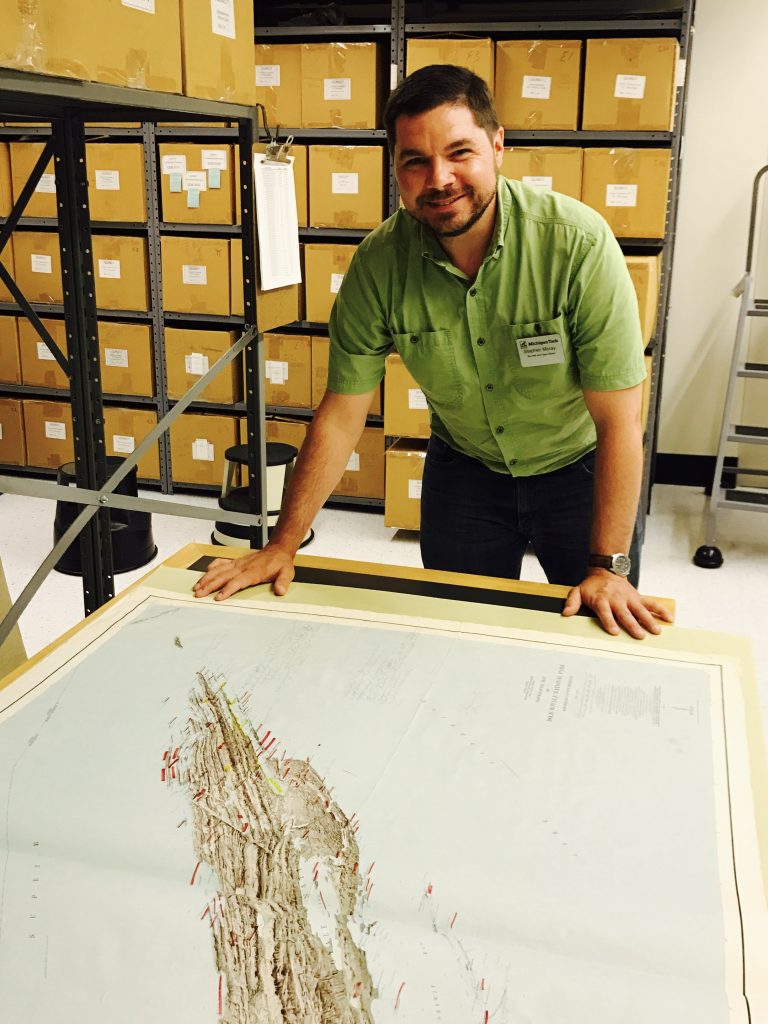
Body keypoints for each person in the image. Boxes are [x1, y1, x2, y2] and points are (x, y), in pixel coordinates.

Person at [194, 64, 673, 639]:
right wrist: (282, 544)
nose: (439, 178)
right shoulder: (378, 266)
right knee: (457, 630)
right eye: (415, 160)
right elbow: (342, 416)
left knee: (599, 628)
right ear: (396, 168)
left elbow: (620, 420)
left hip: (579, 467)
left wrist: (608, 566)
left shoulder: (576, 244)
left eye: (459, 152)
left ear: (498, 147)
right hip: (465, 470)